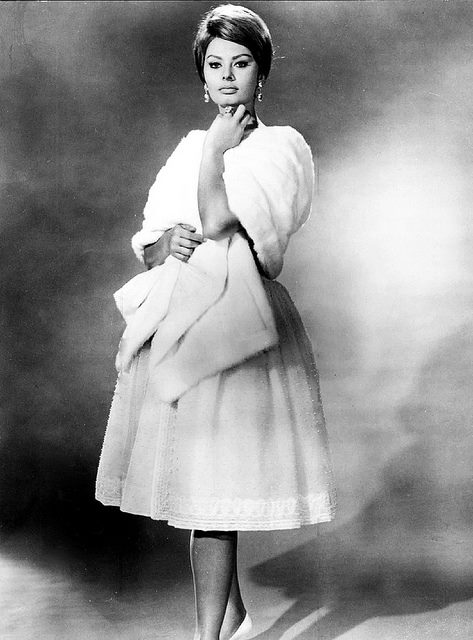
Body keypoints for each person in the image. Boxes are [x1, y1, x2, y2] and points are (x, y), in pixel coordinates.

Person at [95, 4, 336, 639]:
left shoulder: (283, 148)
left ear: (262, 73)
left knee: (211, 492)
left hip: (239, 328)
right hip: (182, 321)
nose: (227, 76)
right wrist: (165, 243)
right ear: (202, 77)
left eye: (241, 63)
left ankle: (209, 637)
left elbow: (226, 226)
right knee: (199, 485)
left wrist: (214, 156)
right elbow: (152, 237)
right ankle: (233, 617)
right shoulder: (188, 147)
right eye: (215, 64)